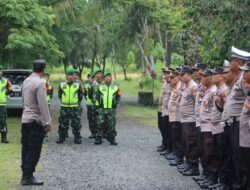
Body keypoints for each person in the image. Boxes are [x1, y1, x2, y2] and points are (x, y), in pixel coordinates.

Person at [221, 46, 250, 189]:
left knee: (239, 159)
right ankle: (230, 184)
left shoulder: (244, 79)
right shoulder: (238, 79)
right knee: (231, 155)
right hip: (231, 124)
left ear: (238, 62)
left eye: (232, 60)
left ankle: (238, 185)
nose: (229, 62)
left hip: (239, 124)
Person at [21, 59, 51, 185]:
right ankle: (28, 177)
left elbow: (23, 100)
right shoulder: (39, 83)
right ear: (43, 70)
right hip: (35, 121)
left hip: (26, 119)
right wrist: (47, 122)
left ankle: (25, 174)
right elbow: (43, 104)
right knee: (34, 149)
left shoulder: (26, 80)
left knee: (26, 148)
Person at [208, 66, 230, 190]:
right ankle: (217, 179)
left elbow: (225, 109)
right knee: (215, 153)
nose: (212, 76)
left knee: (222, 155)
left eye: (215, 74)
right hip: (215, 125)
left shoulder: (225, 89)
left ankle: (223, 182)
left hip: (221, 127)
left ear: (221, 76)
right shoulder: (218, 90)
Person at [197, 69, 217, 188]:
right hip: (203, 125)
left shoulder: (214, 91)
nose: (202, 78)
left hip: (210, 126)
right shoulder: (207, 90)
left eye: (205, 76)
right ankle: (207, 175)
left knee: (210, 152)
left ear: (210, 78)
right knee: (205, 151)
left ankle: (213, 177)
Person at [178, 66, 199, 176]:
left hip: (191, 119)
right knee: (185, 143)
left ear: (189, 75)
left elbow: (198, 103)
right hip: (185, 119)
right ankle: (188, 164)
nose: (180, 77)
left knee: (191, 143)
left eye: (183, 75)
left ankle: (194, 167)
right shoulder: (186, 86)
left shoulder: (193, 86)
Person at [56, 68, 83, 144]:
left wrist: (76, 102)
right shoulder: (62, 84)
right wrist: (64, 101)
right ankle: (61, 137)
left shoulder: (77, 84)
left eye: (71, 75)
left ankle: (77, 138)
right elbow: (60, 95)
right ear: (66, 76)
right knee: (63, 123)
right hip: (64, 107)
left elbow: (80, 95)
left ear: (73, 76)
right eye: (69, 75)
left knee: (76, 123)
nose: (70, 77)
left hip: (74, 107)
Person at [192, 63, 208, 183]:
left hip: (206, 122)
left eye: (197, 70)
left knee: (207, 149)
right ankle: (205, 174)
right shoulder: (198, 85)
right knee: (201, 148)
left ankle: (208, 175)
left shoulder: (206, 85)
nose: (195, 72)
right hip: (198, 121)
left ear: (203, 71)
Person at [95, 72, 121, 145]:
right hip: (102, 108)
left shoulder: (116, 86)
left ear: (111, 78)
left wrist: (115, 104)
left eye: (108, 76)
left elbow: (118, 96)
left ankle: (112, 139)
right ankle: (99, 138)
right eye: (106, 77)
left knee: (111, 124)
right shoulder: (100, 86)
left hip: (111, 109)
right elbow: (97, 96)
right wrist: (98, 105)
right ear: (104, 78)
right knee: (100, 123)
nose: (107, 78)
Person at [168, 70, 184, 166]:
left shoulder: (180, 87)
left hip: (178, 117)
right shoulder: (175, 87)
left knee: (178, 138)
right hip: (173, 115)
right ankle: (175, 154)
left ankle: (179, 157)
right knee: (174, 136)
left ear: (177, 78)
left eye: (172, 78)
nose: (170, 79)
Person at [238, 62, 250, 189]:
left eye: (246, 71)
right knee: (244, 164)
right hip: (245, 135)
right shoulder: (248, 89)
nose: (244, 74)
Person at [159, 67, 175, 159]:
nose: (165, 74)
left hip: (171, 112)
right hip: (164, 109)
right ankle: (166, 147)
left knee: (170, 132)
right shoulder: (165, 82)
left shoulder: (172, 84)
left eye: (167, 73)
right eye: (164, 73)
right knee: (165, 129)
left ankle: (170, 148)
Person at [88, 69, 104, 144]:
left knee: (101, 121)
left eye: (99, 73)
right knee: (94, 120)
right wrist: (93, 101)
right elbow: (90, 93)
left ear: (102, 74)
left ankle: (100, 136)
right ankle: (95, 134)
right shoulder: (94, 83)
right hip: (95, 105)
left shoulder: (104, 83)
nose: (98, 75)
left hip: (102, 106)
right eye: (96, 74)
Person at [0, 65, 12, 143]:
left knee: (3, 122)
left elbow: (10, 90)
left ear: (1, 72)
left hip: (2, 106)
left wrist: (4, 93)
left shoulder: (6, 81)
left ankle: (4, 138)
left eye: (0, 70)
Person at [157, 69, 167, 152]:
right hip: (160, 108)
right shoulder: (163, 84)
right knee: (160, 126)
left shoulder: (168, 84)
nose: (163, 76)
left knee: (165, 128)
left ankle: (166, 145)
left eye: (165, 74)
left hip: (165, 109)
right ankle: (164, 143)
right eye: (163, 74)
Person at [84, 73, 95, 138]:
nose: (89, 79)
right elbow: (85, 94)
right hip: (89, 105)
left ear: (93, 79)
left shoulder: (96, 85)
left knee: (96, 119)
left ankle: (99, 132)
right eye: (88, 78)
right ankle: (92, 132)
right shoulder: (86, 86)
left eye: (91, 78)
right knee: (90, 119)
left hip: (95, 105)